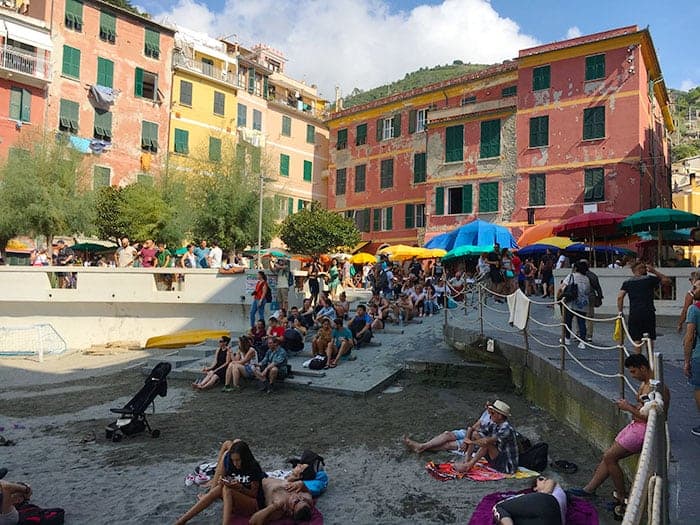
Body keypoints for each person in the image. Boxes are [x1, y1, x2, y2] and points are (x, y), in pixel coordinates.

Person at [569, 354, 670, 517]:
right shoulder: (646, 384)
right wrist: (632, 407)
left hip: (643, 429)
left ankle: (622, 497)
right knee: (608, 456)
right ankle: (589, 489)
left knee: (610, 457)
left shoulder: (655, 388)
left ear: (643, 368)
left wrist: (628, 407)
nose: (632, 376)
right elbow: (644, 409)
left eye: (633, 372)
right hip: (636, 426)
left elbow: (654, 416)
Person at [175, 439, 266, 525]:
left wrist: (240, 487)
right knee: (220, 488)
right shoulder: (230, 463)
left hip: (253, 505)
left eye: (238, 460)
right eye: (233, 460)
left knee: (227, 490)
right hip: (235, 499)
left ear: (244, 458)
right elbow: (226, 477)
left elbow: (254, 494)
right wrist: (223, 481)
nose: (235, 463)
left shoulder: (253, 467)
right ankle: (182, 520)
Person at [454, 400, 518, 475]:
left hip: (507, 466)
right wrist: (467, 439)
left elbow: (487, 442)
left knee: (487, 444)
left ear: (500, 416)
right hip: (497, 457)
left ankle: (468, 466)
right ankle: (467, 460)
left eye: (492, 413)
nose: (490, 415)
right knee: (476, 435)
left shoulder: (506, 428)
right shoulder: (495, 423)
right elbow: (474, 429)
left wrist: (471, 442)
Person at [617, 261, 670, 351]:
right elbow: (667, 280)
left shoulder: (627, 282)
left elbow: (620, 297)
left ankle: (638, 362)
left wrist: (620, 311)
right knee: (649, 339)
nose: (646, 269)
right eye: (644, 268)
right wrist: (654, 271)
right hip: (648, 312)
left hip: (634, 313)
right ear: (639, 269)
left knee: (637, 340)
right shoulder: (649, 279)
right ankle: (650, 361)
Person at [403, 403, 493, 455]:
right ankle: (422, 446)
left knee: (448, 445)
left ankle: (421, 447)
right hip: (471, 433)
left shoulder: (499, 424)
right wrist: (467, 438)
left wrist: (468, 440)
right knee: (447, 434)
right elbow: (474, 427)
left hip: (478, 440)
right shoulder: (487, 413)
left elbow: (485, 440)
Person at [493, 475, 567, 525]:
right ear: (535, 488)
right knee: (514, 519)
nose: (545, 480)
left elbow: (546, 492)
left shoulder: (550, 481)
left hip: (547, 502)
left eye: (541, 479)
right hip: (556, 521)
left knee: (498, 506)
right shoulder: (560, 495)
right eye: (541, 479)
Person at [248, 477, 313, 525]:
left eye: (296, 501)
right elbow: (308, 493)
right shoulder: (307, 498)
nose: (298, 497)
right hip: (266, 476)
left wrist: (274, 506)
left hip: (252, 486)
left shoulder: (278, 511)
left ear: (290, 512)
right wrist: (302, 484)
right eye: (303, 499)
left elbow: (252, 521)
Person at [558, 260, 591, 349]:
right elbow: (588, 291)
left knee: (568, 321)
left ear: (576, 268)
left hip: (571, 302)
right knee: (581, 323)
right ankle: (582, 341)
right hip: (583, 303)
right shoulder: (586, 279)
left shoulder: (571, 276)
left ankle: (567, 338)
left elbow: (562, 288)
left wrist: (559, 296)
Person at [683, 279, 700, 436]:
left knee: (699, 388)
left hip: (699, 356)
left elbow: (689, 338)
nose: (692, 289)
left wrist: (686, 361)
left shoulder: (694, 310)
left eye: (695, 287)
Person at [578, 259, 603, 342]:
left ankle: (579, 333)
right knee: (590, 317)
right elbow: (597, 287)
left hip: (581, 296)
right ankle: (589, 335)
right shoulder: (592, 275)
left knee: (579, 315)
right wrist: (600, 296)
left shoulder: (578, 275)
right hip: (591, 296)